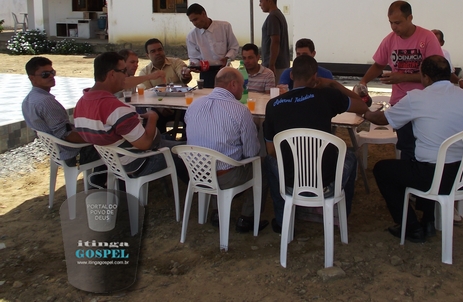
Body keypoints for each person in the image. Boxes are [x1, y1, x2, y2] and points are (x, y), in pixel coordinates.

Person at [367, 55, 463, 243]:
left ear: (426, 77)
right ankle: (428, 220)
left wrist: (363, 112)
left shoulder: (416, 98)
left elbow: (382, 119)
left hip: (431, 177)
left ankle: (411, 227)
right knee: (426, 159)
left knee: (384, 169)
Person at [263, 55, 368, 234]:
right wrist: (334, 84)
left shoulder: (273, 105)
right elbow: (362, 106)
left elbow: (271, 150)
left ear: (291, 76)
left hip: (290, 182)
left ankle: (282, 221)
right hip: (325, 181)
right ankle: (341, 215)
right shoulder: (327, 96)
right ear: (315, 76)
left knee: (268, 161)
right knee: (350, 155)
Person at [184, 67, 268, 233]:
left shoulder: (193, 105)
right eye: (243, 85)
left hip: (196, 173)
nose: (244, 89)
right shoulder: (240, 110)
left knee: (213, 155)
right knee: (263, 166)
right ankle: (247, 218)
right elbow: (251, 153)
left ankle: (217, 212)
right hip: (226, 177)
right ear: (233, 84)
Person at [74, 52, 180, 179]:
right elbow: (145, 143)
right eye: (123, 71)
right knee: (189, 153)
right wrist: (152, 117)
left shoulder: (81, 103)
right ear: (112, 74)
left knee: (174, 141)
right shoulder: (115, 108)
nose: (126, 76)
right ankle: (196, 187)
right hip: (140, 161)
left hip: (115, 162)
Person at [359, 0, 443, 160]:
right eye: (390, 23)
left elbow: (436, 74)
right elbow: (378, 65)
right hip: (401, 103)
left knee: (425, 146)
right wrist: (363, 82)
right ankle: (409, 172)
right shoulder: (390, 40)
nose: (394, 27)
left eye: (397, 23)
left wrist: (402, 77)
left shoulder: (427, 37)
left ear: (410, 18)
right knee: (406, 146)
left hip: (425, 103)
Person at [22, 56, 101, 168]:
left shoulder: (29, 99)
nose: (51, 76)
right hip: (74, 154)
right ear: (32, 78)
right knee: (115, 147)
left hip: (59, 153)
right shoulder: (46, 102)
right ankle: (99, 178)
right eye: (45, 74)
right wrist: (98, 137)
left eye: (52, 72)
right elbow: (67, 135)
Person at [186, 3, 240, 88]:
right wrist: (194, 65)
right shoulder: (192, 36)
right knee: (208, 95)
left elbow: (234, 47)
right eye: (192, 21)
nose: (194, 23)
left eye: (196, 19)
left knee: (227, 94)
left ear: (204, 14)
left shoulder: (224, 27)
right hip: (206, 73)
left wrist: (227, 58)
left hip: (225, 70)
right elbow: (193, 57)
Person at [259, 0, 290, 82]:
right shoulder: (278, 15)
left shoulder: (273, 17)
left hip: (276, 66)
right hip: (280, 64)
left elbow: (275, 41)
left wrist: (271, 64)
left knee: (273, 89)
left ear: (270, 2)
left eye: (261, 1)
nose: (260, 5)